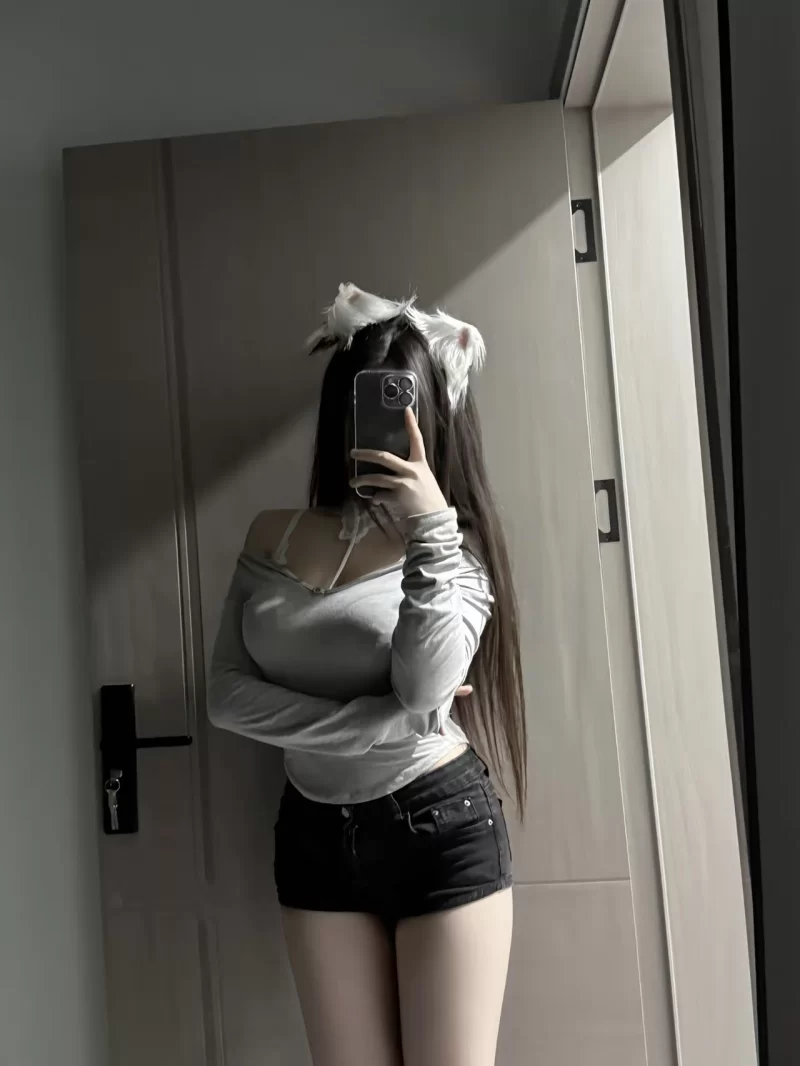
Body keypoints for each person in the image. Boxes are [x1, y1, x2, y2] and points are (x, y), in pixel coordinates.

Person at [208, 283, 527, 1066]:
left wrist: (429, 527)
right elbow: (224, 696)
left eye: (397, 408)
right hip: (315, 835)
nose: (373, 430)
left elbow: (424, 690)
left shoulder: (459, 553)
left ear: (434, 420)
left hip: (439, 826)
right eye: (361, 407)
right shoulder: (272, 534)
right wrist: (375, 721)